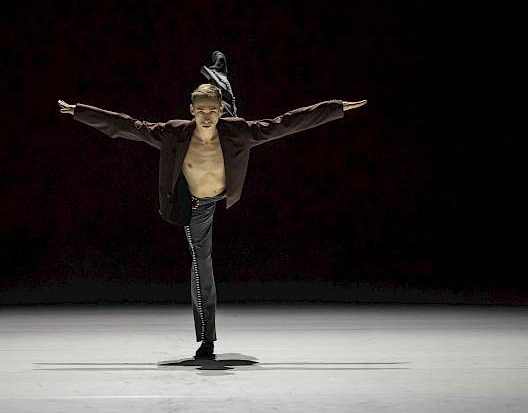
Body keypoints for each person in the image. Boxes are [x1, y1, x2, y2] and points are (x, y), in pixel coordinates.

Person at [58, 51, 366, 360]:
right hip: (198, 204)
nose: (206, 116)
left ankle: (222, 83)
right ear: (191, 110)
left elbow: (285, 123)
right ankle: (207, 339)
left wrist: (335, 108)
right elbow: (128, 126)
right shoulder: (173, 133)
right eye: (201, 111)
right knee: (201, 262)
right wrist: (80, 112)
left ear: (217, 111)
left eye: (212, 111)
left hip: (224, 167)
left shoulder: (238, 130)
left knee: (234, 116)